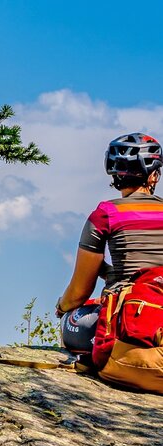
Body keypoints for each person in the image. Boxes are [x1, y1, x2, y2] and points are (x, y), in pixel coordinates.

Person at [56, 132, 163, 390]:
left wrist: (62, 306)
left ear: (114, 174)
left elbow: (79, 292)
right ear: (154, 176)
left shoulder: (106, 213)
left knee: (72, 320)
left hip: (127, 325)